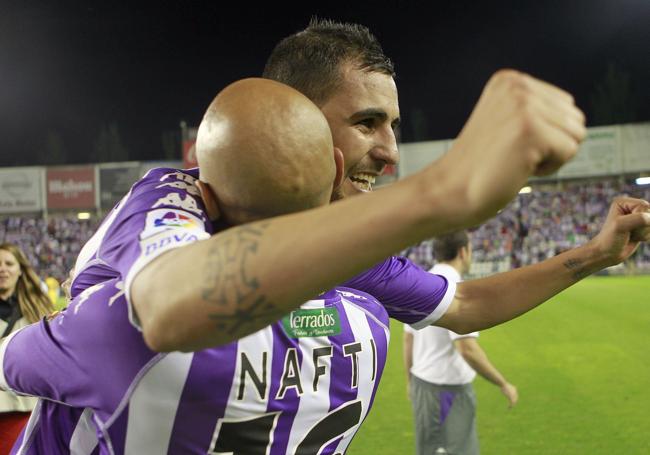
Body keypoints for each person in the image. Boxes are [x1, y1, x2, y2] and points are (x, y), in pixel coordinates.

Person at [2, 19, 650, 454]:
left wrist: (593, 254)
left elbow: (468, 304)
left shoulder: (344, 249)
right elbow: (169, 305)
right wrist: (440, 192)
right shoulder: (176, 195)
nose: (391, 150)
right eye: (369, 122)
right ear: (295, 119)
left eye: (393, 124)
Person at [403, 232, 517, 455]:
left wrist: (410, 381)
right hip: (446, 390)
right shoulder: (458, 288)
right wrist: (503, 383)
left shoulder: (421, 280)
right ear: (463, 252)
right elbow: (467, 348)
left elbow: (408, 339)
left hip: (423, 384)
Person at [0, 243, 54, 455]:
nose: (2, 269)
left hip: (26, 410)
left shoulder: (39, 308)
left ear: (20, 269)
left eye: (9, 263)